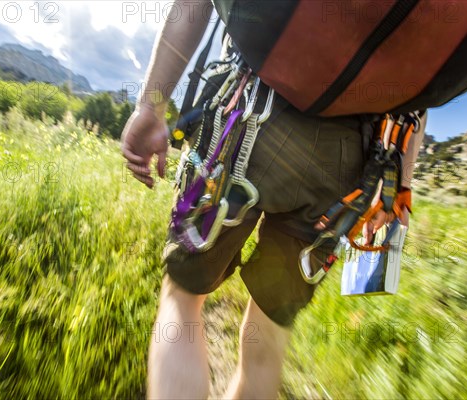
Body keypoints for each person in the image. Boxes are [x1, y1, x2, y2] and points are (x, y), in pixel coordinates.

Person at [122, 1, 424, 398]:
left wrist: (150, 105)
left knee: (183, 298)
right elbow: (424, 77)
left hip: (246, 112)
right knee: (269, 333)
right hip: (347, 159)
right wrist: (399, 184)